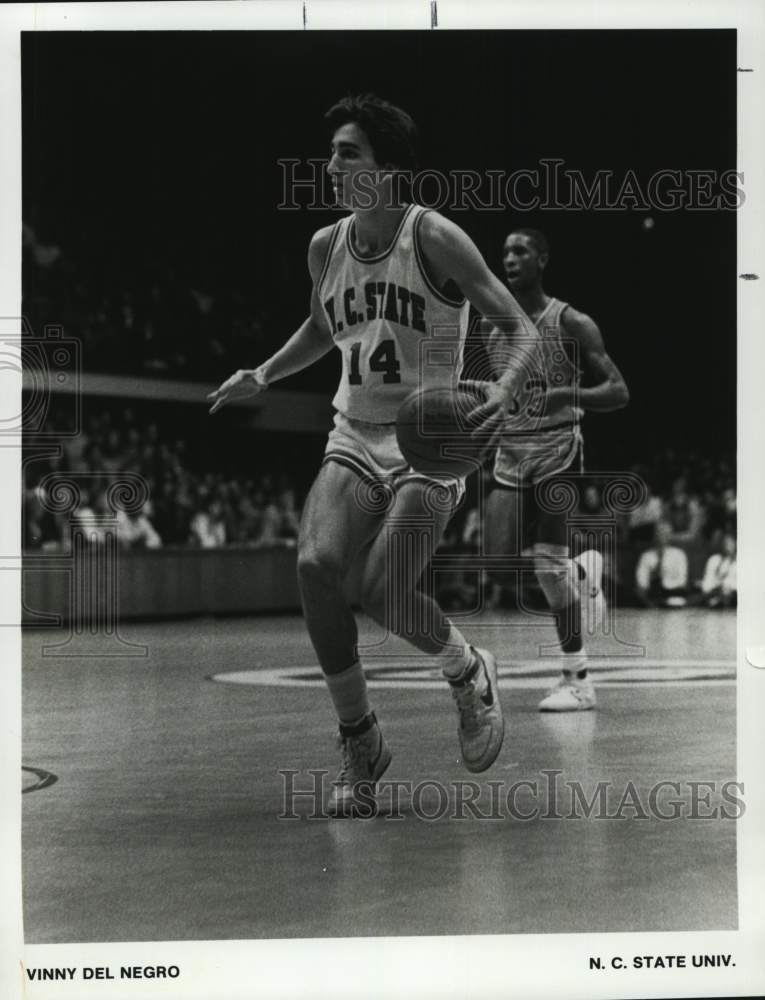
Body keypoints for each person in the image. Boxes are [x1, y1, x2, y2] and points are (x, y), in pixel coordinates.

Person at [208, 94, 540, 815]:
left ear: (387, 170)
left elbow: (517, 327)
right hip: (356, 431)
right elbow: (322, 327)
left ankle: (466, 671)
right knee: (316, 567)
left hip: (432, 439)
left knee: (386, 590)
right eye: (330, 153)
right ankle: (360, 737)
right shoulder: (324, 247)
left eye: (346, 153)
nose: (329, 166)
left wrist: (505, 388)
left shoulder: (435, 237)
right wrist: (262, 373)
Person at [481, 228, 629, 712]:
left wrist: (568, 396)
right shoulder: (490, 326)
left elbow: (618, 391)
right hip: (509, 451)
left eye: (520, 250)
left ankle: (578, 679)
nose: (509, 258)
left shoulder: (571, 321)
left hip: (557, 448)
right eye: (504, 251)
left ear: (543, 259)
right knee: (500, 568)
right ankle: (581, 572)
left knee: (545, 563)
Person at [634, 520, 689, 607]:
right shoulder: (646, 556)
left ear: (670, 536)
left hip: (673, 596)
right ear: (654, 536)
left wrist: (664, 585)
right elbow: (641, 582)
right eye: (659, 533)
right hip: (651, 597)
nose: (662, 536)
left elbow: (682, 581)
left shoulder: (679, 555)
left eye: (666, 533)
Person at [699, 532, 737, 608]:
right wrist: (714, 588)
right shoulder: (714, 559)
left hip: (734, 595)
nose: (727, 547)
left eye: (730, 543)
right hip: (714, 593)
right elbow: (707, 582)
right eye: (725, 543)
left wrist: (728, 587)